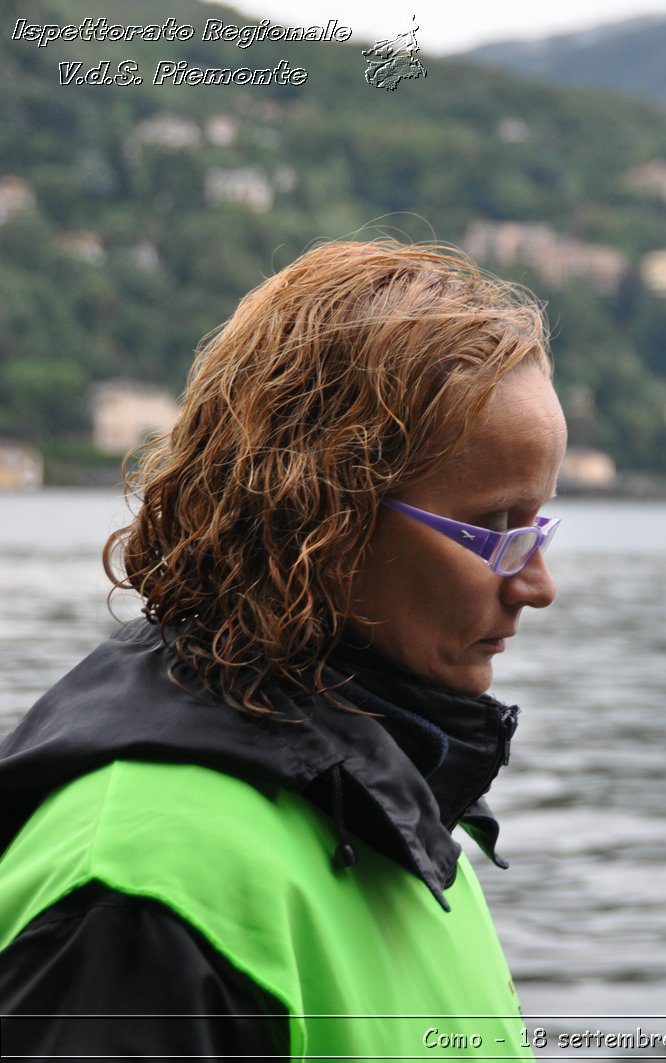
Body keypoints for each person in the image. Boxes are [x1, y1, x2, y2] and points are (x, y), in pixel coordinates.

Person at [0, 240, 565, 1058]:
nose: (537, 582)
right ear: (322, 519)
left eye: (538, 525)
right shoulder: (144, 884)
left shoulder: (395, 805)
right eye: (495, 530)